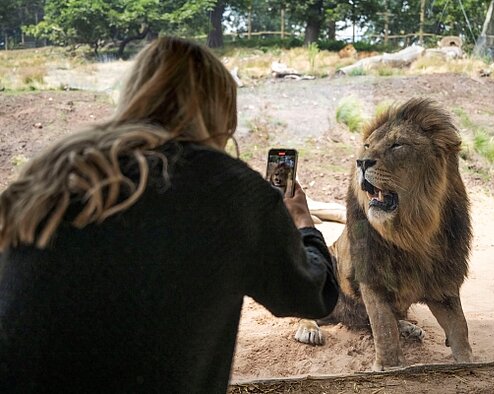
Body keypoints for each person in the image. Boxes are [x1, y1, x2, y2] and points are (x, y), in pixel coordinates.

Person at [0, 37, 338, 393]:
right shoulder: (229, 189)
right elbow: (314, 296)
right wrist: (301, 220)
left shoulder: (54, 167)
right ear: (220, 111)